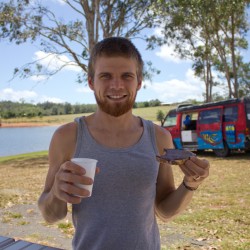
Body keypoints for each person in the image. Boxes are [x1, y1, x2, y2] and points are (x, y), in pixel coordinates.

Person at [38, 37, 209, 250]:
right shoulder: (67, 137)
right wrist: (56, 192)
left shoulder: (159, 137)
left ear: (138, 82)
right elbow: (51, 215)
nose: (117, 85)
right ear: (91, 82)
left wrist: (191, 183)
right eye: (105, 76)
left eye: (126, 76)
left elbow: (165, 211)